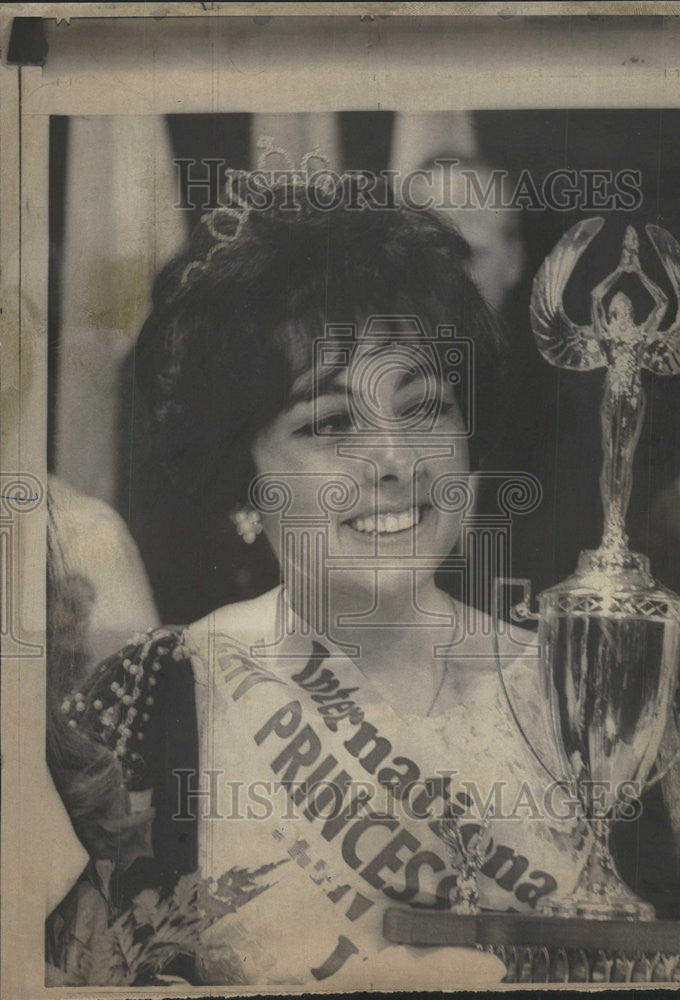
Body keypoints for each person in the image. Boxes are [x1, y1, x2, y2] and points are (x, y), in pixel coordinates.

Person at [46, 172, 599, 989]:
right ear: (242, 480)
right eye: (331, 423)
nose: (393, 462)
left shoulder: (585, 698)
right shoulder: (150, 704)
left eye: (423, 408)